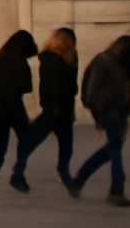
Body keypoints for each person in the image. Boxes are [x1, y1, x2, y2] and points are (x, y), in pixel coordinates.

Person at [67, 34, 130, 207]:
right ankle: (116, 189)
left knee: (110, 151)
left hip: (118, 113)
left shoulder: (123, 64)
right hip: (108, 112)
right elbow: (93, 92)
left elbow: (126, 93)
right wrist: (99, 120)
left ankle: (79, 180)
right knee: (114, 151)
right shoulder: (103, 61)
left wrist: (126, 117)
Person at [9, 28, 78, 192]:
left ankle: (19, 173)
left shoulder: (55, 59)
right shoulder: (56, 61)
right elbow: (59, 88)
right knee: (60, 145)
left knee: (33, 143)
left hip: (56, 110)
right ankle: (63, 175)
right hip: (57, 110)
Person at [0, 30, 38, 183]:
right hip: (14, 105)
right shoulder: (20, 62)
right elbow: (27, 86)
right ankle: (18, 169)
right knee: (26, 138)